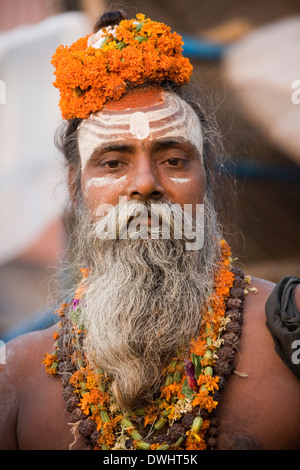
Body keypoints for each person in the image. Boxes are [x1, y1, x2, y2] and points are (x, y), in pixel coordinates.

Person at [0, 10, 299, 451]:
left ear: (207, 177)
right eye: (113, 162)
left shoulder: (289, 328)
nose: (144, 184)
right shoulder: (17, 375)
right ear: (75, 187)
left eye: (174, 159)